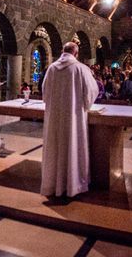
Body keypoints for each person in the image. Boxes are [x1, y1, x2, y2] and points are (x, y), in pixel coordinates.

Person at [40, 42, 99, 198]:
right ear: (76, 53)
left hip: (55, 117)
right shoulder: (80, 68)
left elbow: (44, 93)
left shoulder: (52, 68)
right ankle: (73, 184)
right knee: (73, 146)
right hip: (74, 117)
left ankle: (53, 183)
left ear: (62, 51)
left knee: (55, 147)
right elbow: (91, 92)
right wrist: (86, 105)